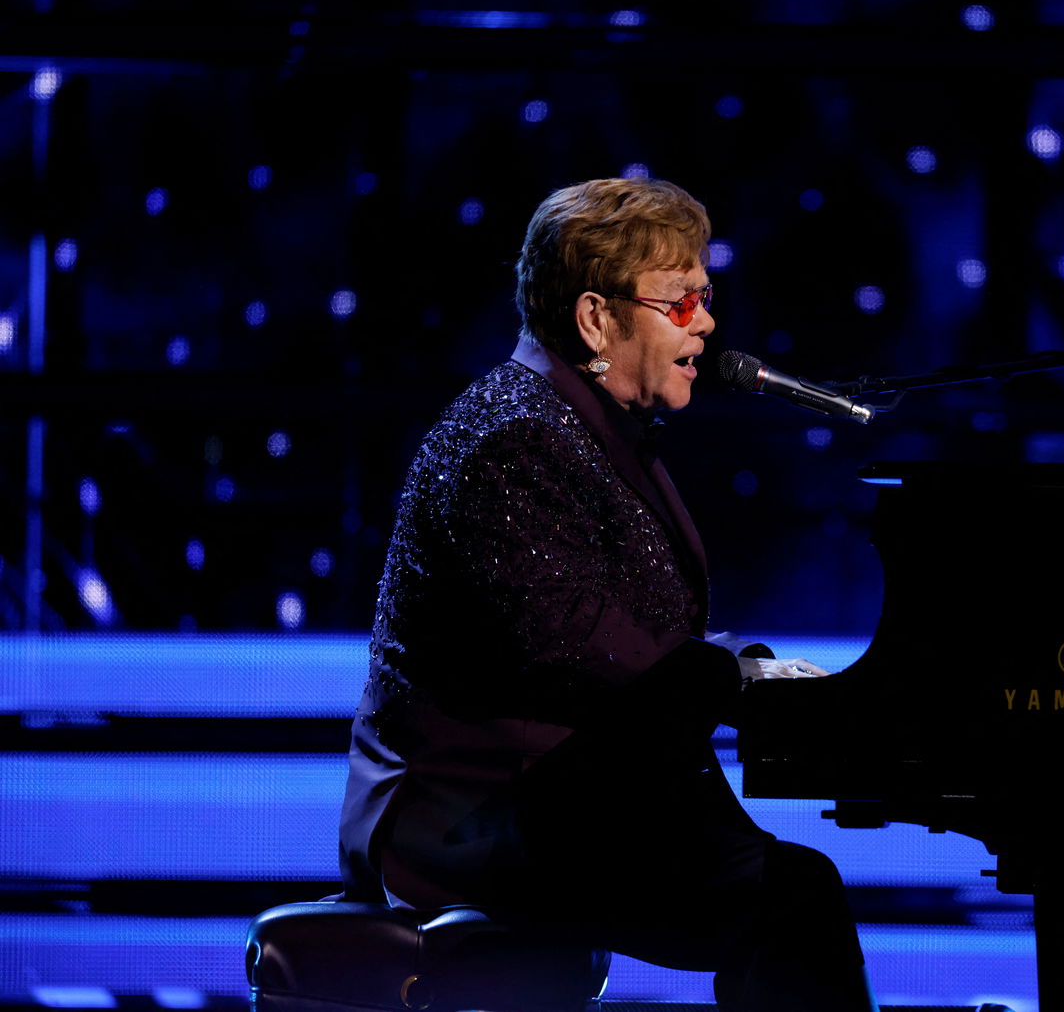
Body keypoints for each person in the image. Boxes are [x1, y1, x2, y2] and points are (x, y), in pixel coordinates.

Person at [337, 177, 878, 1010]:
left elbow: (629, 631)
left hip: (552, 789)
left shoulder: (568, 420)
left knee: (788, 891)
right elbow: (579, 648)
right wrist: (734, 681)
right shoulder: (514, 436)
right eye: (682, 300)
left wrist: (749, 667)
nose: (705, 321)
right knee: (789, 897)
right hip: (473, 811)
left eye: (707, 295)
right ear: (596, 318)